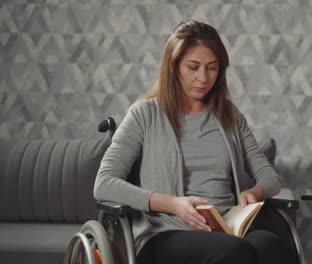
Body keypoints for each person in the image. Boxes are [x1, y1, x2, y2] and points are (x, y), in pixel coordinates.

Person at [94, 19, 290, 264]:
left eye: (212, 68)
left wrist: (254, 191)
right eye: (193, 67)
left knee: (274, 247)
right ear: (174, 67)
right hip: (164, 233)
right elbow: (104, 184)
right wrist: (173, 204)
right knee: (234, 252)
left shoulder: (229, 115)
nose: (203, 78)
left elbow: (270, 178)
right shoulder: (144, 114)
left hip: (227, 229)